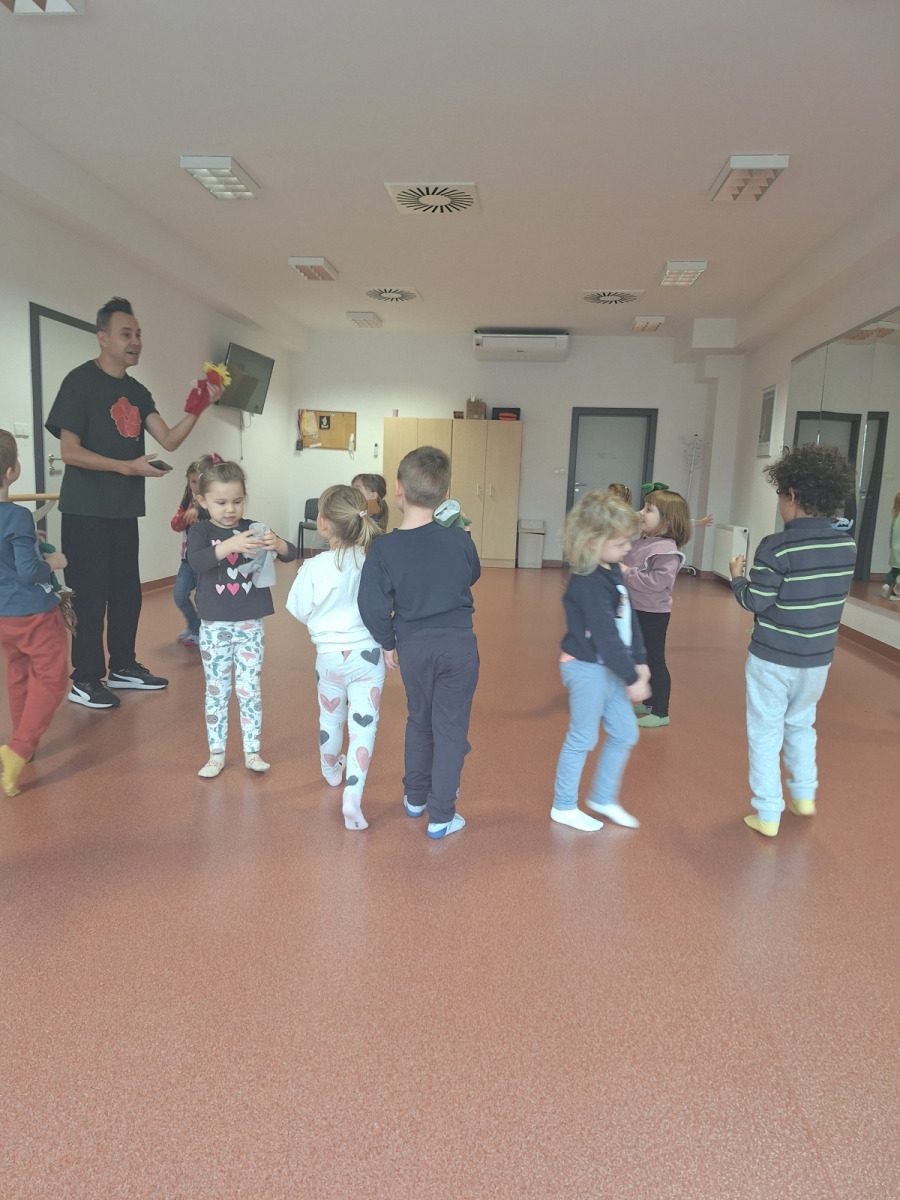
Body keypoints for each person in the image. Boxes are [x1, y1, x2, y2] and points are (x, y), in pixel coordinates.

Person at [44, 297, 223, 710]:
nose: (136, 341)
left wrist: (199, 407)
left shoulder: (137, 391)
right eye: (126, 334)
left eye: (138, 334)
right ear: (102, 338)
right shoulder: (79, 382)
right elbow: (69, 451)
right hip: (85, 510)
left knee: (127, 593)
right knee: (90, 597)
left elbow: (170, 440)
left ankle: (123, 665)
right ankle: (85, 678)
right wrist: (126, 467)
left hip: (124, 511)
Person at [729, 444, 856, 837]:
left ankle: (768, 812)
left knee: (765, 731)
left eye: (781, 495)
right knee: (802, 722)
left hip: (773, 658)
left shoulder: (777, 546)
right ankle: (804, 794)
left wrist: (737, 577)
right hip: (817, 659)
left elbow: (756, 601)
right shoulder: (846, 545)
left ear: (793, 496)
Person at [358, 446, 480, 839]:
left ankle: (415, 798)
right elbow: (471, 574)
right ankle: (442, 816)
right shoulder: (458, 539)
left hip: (412, 646)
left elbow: (371, 602)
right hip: (458, 646)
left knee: (419, 719)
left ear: (398, 489)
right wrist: (461, 535)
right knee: (450, 728)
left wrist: (387, 642)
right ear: (445, 495)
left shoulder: (383, 547)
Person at [186, 460, 297, 778]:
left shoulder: (254, 527)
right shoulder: (201, 531)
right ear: (202, 500)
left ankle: (252, 751)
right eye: (221, 502)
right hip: (214, 625)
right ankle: (216, 754)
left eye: (237, 501)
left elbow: (291, 554)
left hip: (250, 624)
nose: (230, 509)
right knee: (217, 690)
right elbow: (197, 562)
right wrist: (228, 546)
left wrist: (278, 544)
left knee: (249, 689)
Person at [286, 485, 385, 830]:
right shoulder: (373, 562)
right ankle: (352, 796)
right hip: (368, 656)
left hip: (328, 658)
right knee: (363, 727)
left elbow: (299, 610)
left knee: (330, 717)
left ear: (324, 523)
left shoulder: (313, 567)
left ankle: (331, 772)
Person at [551, 491, 650, 832]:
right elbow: (606, 636)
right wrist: (632, 676)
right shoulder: (588, 582)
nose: (628, 549)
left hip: (609, 665)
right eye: (621, 543)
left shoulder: (611, 570)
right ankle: (564, 806)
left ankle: (603, 797)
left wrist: (640, 659)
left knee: (625, 732)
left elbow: (628, 618)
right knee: (583, 737)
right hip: (585, 667)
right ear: (593, 542)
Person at [0, 430, 71, 797]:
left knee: (19, 673)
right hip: (33, 614)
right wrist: (53, 562)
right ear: (12, 471)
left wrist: (28, 541)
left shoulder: (18, 522)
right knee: (52, 678)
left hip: (3, 617)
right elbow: (30, 572)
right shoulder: (17, 515)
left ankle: (21, 742)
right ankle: (19, 748)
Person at [621, 485, 692, 728]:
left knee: (655, 661)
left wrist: (625, 572)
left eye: (648, 509)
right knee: (642, 658)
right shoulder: (644, 542)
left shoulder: (666, 550)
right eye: (643, 507)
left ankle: (661, 712)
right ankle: (650, 702)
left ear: (667, 521)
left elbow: (657, 583)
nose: (641, 512)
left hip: (652, 614)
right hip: (636, 609)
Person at [170, 453, 220, 647]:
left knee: (201, 598)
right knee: (179, 595)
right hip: (187, 560)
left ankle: (203, 631)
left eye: (200, 481)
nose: (196, 486)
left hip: (205, 561)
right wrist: (186, 515)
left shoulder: (213, 503)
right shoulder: (186, 502)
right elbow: (175, 525)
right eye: (193, 482)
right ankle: (193, 626)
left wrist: (199, 510)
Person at [880, 491, 900, 601]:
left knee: (894, 570)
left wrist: (891, 546)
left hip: (895, 548)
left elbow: (891, 534)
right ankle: (894, 593)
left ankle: (887, 585)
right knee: (898, 572)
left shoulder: (896, 516)